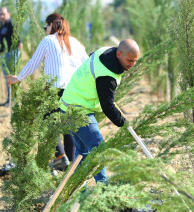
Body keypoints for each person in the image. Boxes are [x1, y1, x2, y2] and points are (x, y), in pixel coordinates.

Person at [7, 13, 88, 171]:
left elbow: (33, 62)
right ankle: (69, 166)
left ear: (52, 25)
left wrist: (19, 78)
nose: (45, 30)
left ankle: (60, 157)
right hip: (73, 91)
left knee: (47, 123)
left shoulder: (48, 41)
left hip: (55, 89)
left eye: (46, 27)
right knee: (67, 127)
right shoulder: (75, 43)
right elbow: (86, 65)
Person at [59, 39, 140, 183]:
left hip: (68, 105)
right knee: (99, 148)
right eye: (129, 60)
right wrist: (124, 124)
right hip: (78, 111)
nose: (133, 65)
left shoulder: (104, 51)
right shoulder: (106, 76)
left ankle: (79, 189)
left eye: (135, 61)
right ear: (119, 54)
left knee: (82, 153)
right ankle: (103, 188)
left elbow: (91, 56)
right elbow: (107, 106)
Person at [0, 7, 23, 107]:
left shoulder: (11, 24)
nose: (2, 16)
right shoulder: (2, 26)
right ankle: (9, 101)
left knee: (13, 76)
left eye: (3, 14)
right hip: (5, 54)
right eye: (0, 14)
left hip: (12, 53)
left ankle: (15, 101)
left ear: (8, 13)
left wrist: (19, 43)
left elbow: (17, 36)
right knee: (7, 78)